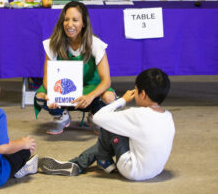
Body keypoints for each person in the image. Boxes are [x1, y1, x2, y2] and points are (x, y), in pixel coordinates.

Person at [39, 68, 176, 181]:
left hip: (133, 170)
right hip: (155, 170)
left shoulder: (137, 115)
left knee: (110, 123)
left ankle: (85, 163)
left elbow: (99, 118)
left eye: (135, 90)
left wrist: (122, 100)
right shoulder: (168, 116)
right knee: (121, 125)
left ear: (143, 94)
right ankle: (98, 162)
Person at [34, 1, 116, 135]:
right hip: (63, 89)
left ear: (84, 23)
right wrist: (53, 96)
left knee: (109, 97)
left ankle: (95, 117)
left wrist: (90, 97)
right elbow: (47, 78)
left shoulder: (95, 44)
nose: (69, 24)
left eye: (75, 20)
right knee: (41, 97)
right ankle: (62, 115)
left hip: (89, 87)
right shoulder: (53, 44)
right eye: (66, 19)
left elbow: (106, 81)